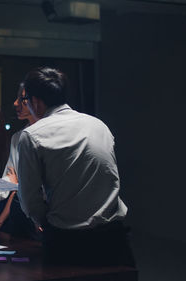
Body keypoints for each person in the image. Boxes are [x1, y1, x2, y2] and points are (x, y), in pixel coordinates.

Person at [16, 67, 135, 266]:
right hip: (114, 239)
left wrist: (46, 221)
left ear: (35, 102)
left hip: (67, 241)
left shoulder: (32, 135)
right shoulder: (99, 125)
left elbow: (29, 199)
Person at [0, 84, 42, 239]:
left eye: (22, 99)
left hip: (47, 216)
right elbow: (11, 178)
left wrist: (16, 183)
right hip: (22, 215)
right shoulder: (18, 138)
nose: (15, 103)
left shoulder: (51, 136)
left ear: (38, 102)